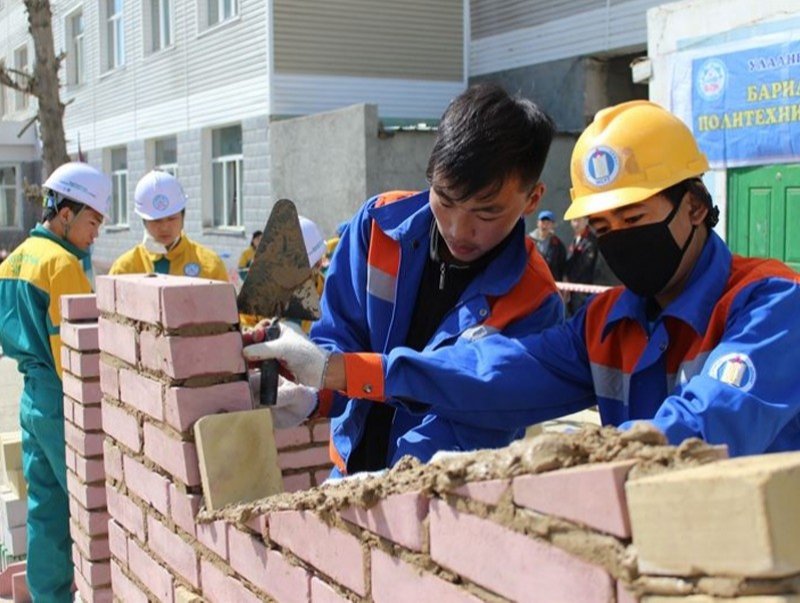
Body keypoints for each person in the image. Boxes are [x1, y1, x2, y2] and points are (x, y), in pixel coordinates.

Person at [245, 100, 800, 460]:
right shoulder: (607, 323)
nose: (620, 239)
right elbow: (493, 374)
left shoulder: (770, 304)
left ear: (696, 205)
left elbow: (705, 425)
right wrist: (333, 373)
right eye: (603, 226)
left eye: (634, 220)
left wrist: (563, 471)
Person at [245, 83, 562, 475]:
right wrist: (312, 393)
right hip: (348, 472)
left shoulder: (534, 300)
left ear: (532, 199)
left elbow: (478, 413)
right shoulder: (377, 226)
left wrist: (389, 483)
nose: (459, 230)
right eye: (445, 200)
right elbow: (340, 340)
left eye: (486, 213)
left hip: (439, 495)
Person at [0, 162, 112, 601]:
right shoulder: (62, 265)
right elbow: (73, 356)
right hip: (61, 398)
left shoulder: (14, 260)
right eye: (92, 222)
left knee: (45, 510)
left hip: (30, 397)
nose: (95, 234)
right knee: (89, 507)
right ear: (65, 213)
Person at [109, 170, 228, 280]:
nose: (165, 227)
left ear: (183, 216)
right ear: (144, 220)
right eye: (156, 221)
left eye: (171, 219)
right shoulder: (124, 269)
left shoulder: (210, 265)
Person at [563, 215, 599, 315]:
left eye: (579, 221)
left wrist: (570, 281)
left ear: (586, 221)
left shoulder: (590, 241)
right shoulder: (576, 238)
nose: (576, 224)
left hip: (584, 289)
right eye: (574, 220)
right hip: (573, 288)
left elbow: (585, 264)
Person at [528, 209, 566, 280]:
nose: (544, 226)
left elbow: (562, 267)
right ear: (537, 223)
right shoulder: (528, 241)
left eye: (548, 223)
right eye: (542, 222)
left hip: (550, 282)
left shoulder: (558, 245)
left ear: (553, 225)